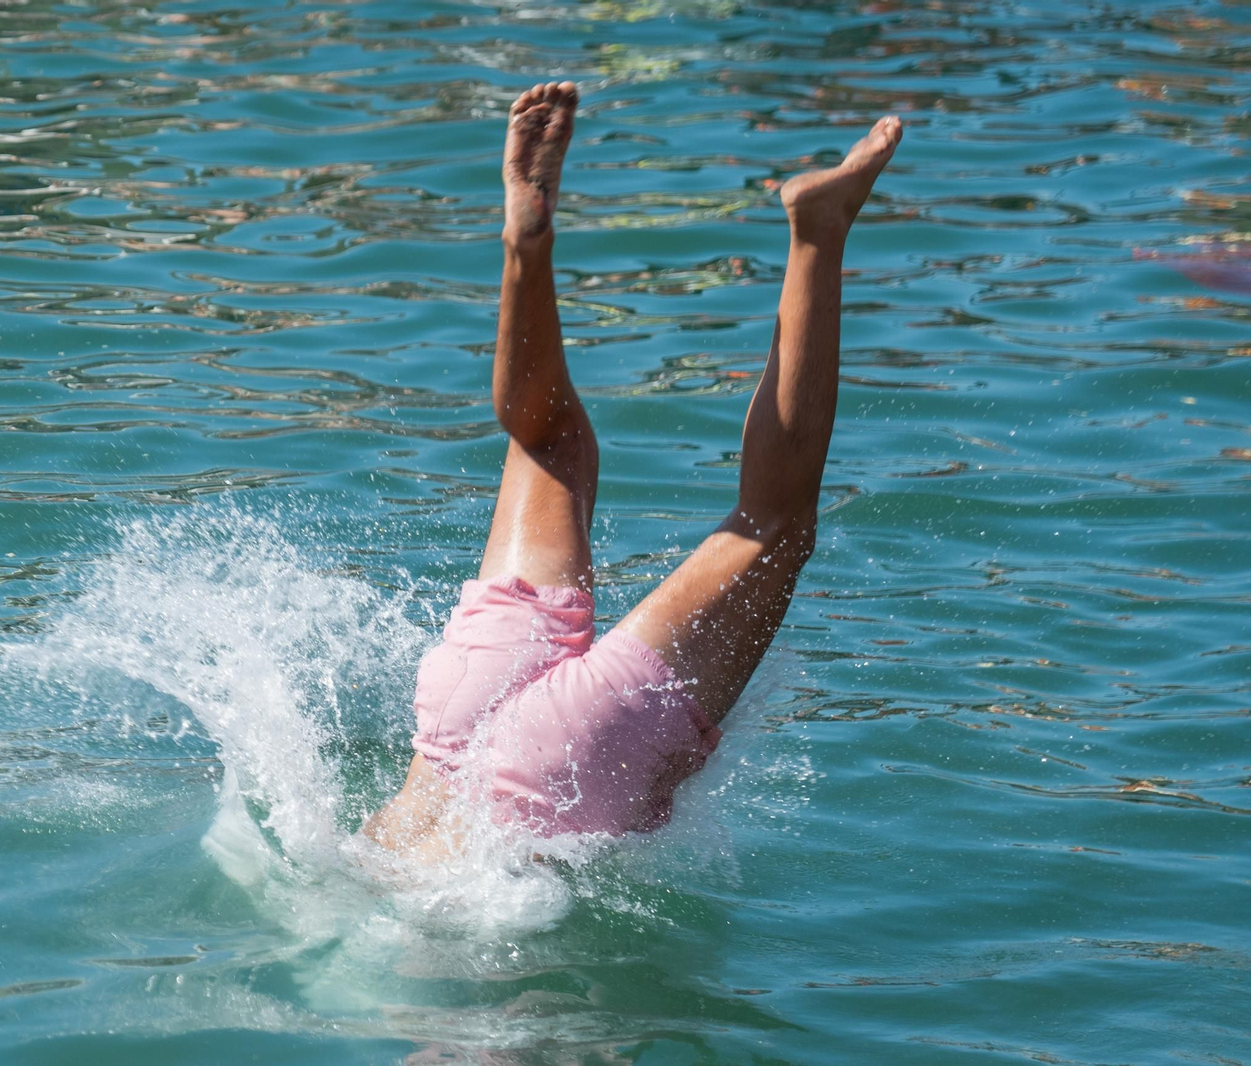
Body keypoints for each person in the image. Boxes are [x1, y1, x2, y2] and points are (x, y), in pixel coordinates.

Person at [364, 82, 902, 859]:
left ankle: (818, 235)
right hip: (479, 698)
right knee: (545, 442)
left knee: (771, 527)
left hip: (517, 769)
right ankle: (526, 249)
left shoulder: (372, 896)